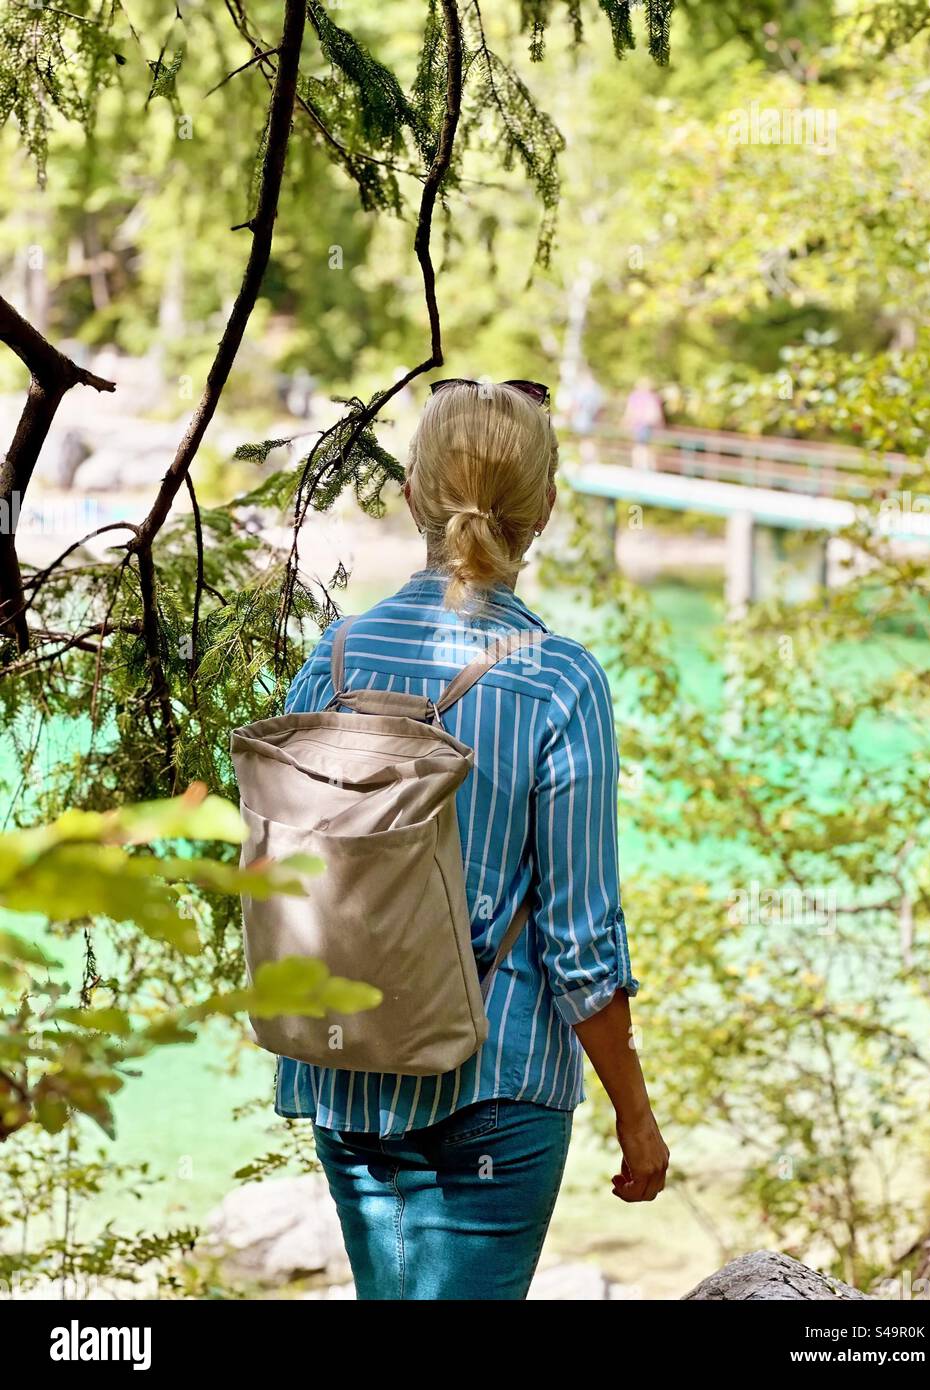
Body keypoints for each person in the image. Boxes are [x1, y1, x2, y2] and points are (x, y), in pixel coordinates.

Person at [275, 379, 669, 1300]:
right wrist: (635, 1116)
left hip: (351, 1066)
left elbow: (284, 873)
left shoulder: (330, 661)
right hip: (498, 1084)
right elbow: (579, 947)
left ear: (410, 494)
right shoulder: (560, 682)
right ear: (546, 511)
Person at [623, 376, 665, 469]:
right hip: (646, 425)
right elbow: (657, 414)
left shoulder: (636, 396)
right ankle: (645, 467)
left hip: (640, 425)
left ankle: (640, 466)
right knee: (643, 446)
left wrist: (626, 422)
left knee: (640, 446)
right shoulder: (653, 397)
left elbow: (629, 411)